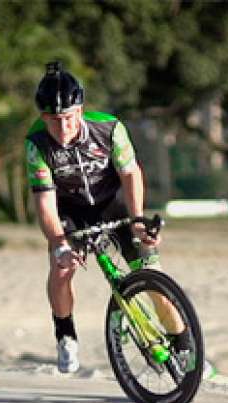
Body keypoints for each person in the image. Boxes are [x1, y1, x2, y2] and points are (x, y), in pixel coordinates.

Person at [25, 61, 194, 374]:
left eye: (69, 119)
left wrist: (138, 219)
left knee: (155, 277)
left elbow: (130, 173)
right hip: (70, 212)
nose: (62, 129)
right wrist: (59, 243)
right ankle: (65, 334)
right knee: (61, 269)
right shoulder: (36, 145)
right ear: (43, 117)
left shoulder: (110, 128)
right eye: (54, 121)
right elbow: (45, 202)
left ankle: (184, 346)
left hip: (112, 203)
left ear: (81, 110)